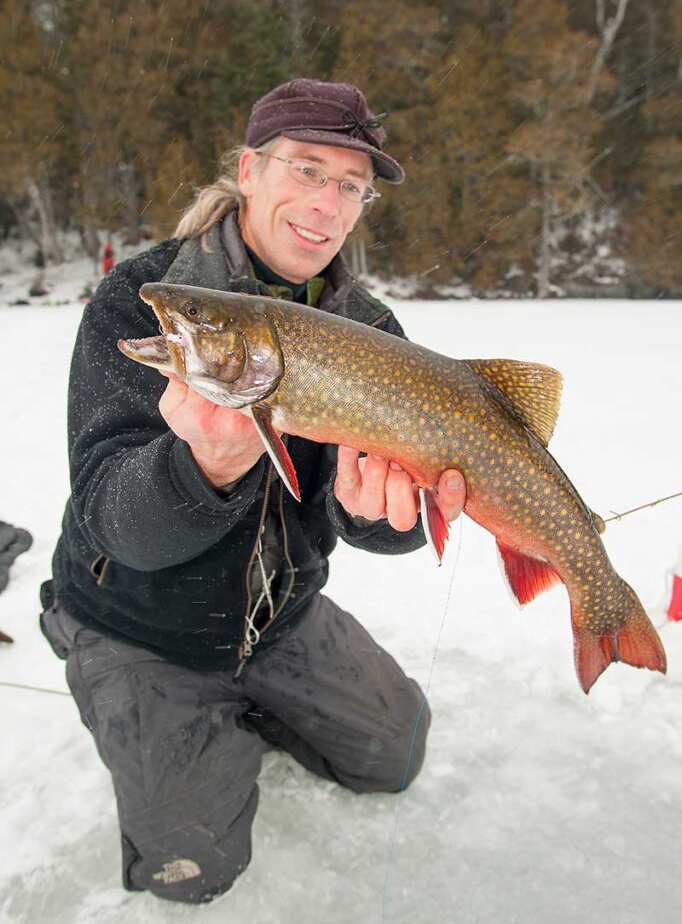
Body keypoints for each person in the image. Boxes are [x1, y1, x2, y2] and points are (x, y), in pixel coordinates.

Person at [40, 78, 466, 904]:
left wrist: (387, 516)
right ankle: (155, 702)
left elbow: (382, 513)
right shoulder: (150, 299)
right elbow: (111, 520)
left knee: (395, 753)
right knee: (193, 871)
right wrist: (202, 468)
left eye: (351, 186)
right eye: (306, 169)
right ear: (249, 170)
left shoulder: (372, 330)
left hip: (279, 615)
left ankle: (255, 704)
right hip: (141, 630)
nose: (327, 203)